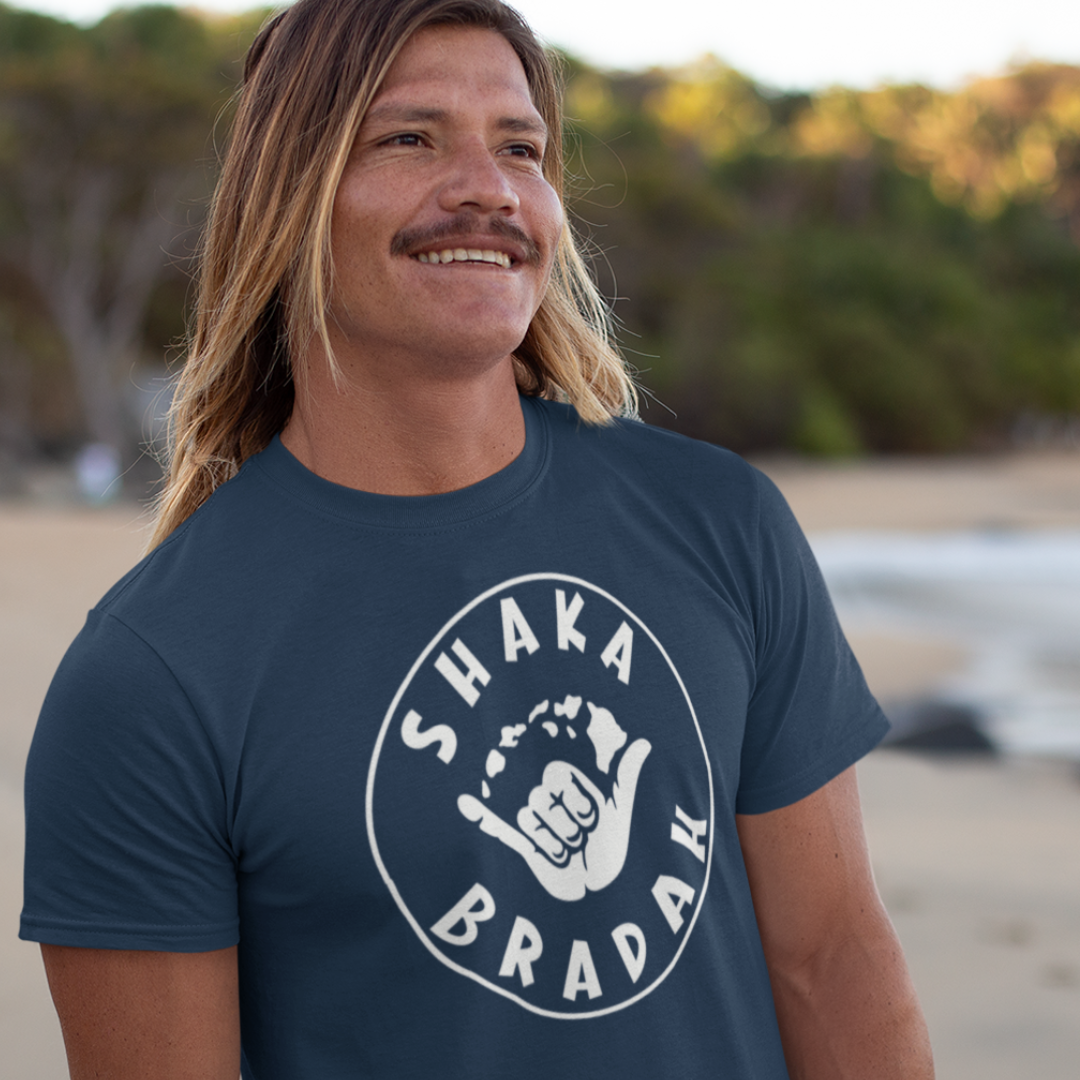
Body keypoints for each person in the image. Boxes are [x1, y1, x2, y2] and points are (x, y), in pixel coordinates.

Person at [20, 1, 934, 1077]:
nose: (490, 189)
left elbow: (833, 961)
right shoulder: (153, 675)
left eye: (522, 148)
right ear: (291, 200)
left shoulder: (719, 523)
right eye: (410, 138)